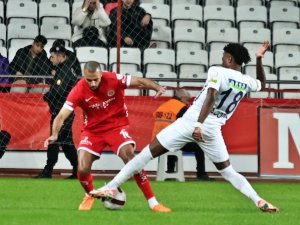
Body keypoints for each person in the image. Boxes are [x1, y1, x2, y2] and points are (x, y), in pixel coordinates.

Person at [90, 41, 280, 213]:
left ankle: (113, 186)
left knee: (146, 154)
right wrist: (259, 59)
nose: (221, 59)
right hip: (213, 131)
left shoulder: (217, 71)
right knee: (228, 171)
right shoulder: (246, 81)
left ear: (229, 58)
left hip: (191, 123)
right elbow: (262, 84)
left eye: (223, 56)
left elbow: (211, 96)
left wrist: (198, 124)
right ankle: (258, 200)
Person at [44, 61, 171, 212]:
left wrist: (156, 86)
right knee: (82, 167)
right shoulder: (78, 90)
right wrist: (54, 134)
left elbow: (139, 80)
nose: (92, 83)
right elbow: (61, 116)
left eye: (95, 79)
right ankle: (89, 195)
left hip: (117, 127)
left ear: (101, 74)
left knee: (131, 158)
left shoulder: (113, 79)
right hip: (92, 131)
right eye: (88, 80)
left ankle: (153, 203)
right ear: (84, 76)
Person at [152, 88, 213, 181]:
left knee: (172, 144)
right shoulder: (181, 107)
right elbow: (189, 124)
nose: (187, 103)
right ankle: (201, 175)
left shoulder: (163, 106)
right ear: (181, 97)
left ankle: (170, 172)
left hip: (157, 141)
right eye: (186, 100)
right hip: (170, 141)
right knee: (199, 147)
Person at [36, 46, 78, 179]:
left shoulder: (64, 71)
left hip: (62, 113)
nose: (51, 59)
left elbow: (58, 91)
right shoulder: (63, 69)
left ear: (60, 56)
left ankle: (48, 171)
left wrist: (47, 96)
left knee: (53, 141)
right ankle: (78, 170)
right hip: (63, 111)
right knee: (66, 144)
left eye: (53, 56)